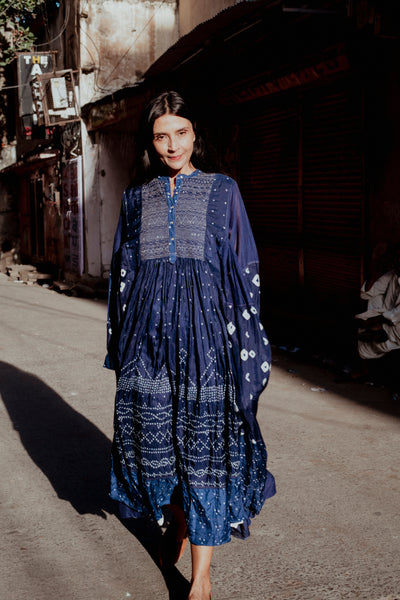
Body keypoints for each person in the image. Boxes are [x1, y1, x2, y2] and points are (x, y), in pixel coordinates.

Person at [105, 90, 276, 600]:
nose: (171, 145)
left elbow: (244, 268)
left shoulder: (224, 191)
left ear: (196, 134)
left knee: (203, 452)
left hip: (206, 343)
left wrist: (243, 341)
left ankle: (201, 580)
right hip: (149, 345)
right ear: (151, 143)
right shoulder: (136, 197)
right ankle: (175, 516)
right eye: (161, 136)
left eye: (180, 133)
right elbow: (122, 272)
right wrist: (123, 343)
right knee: (156, 447)